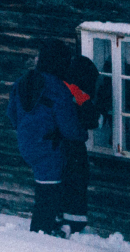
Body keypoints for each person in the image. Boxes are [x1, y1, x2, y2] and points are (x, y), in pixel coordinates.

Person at [7, 39, 81, 235]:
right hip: (49, 146)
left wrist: (26, 130)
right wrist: (82, 134)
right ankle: (42, 236)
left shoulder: (21, 82)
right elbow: (69, 127)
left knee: (45, 190)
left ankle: (47, 227)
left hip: (27, 144)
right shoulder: (57, 88)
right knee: (48, 194)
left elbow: (11, 114)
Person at [58, 43, 101, 237]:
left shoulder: (59, 85)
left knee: (63, 180)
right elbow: (92, 119)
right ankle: (72, 222)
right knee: (77, 179)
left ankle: (61, 217)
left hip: (56, 143)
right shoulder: (78, 93)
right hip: (73, 144)